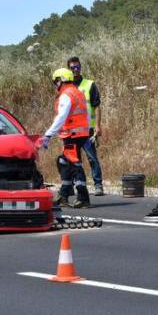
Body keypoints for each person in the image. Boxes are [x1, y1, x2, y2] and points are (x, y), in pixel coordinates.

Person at [41, 68, 91, 208]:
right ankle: (64, 194)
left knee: (75, 164)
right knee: (64, 161)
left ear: (61, 80)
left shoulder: (66, 95)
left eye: (56, 81)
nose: (55, 84)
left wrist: (48, 135)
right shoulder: (77, 92)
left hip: (72, 134)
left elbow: (61, 117)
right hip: (80, 133)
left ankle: (83, 197)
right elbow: (85, 114)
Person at [68, 56, 105, 196]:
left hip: (87, 130)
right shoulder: (68, 88)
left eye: (77, 67)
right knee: (74, 160)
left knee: (92, 158)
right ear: (69, 70)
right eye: (72, 68)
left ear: (80, 67)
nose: (75, 70)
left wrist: (98, 125)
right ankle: (78, 187)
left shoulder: (89, 84)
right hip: (72, 131)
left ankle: (98, 185)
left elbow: (97, 106)